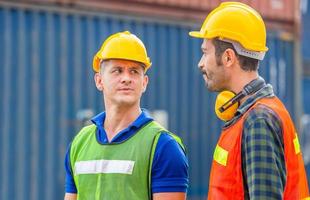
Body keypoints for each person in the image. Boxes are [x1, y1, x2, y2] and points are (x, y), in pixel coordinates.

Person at [189, 2, 309, 199]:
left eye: (205, 52)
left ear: (228, 57)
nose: (200, 63)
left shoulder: (258, 121)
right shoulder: (258, 112)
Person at [64, 31, 188, 200]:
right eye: (117, 71)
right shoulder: (80, 143)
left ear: (144, 83)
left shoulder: (163, 146)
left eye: (134, 71)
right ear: (99, 81)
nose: (126, 78)